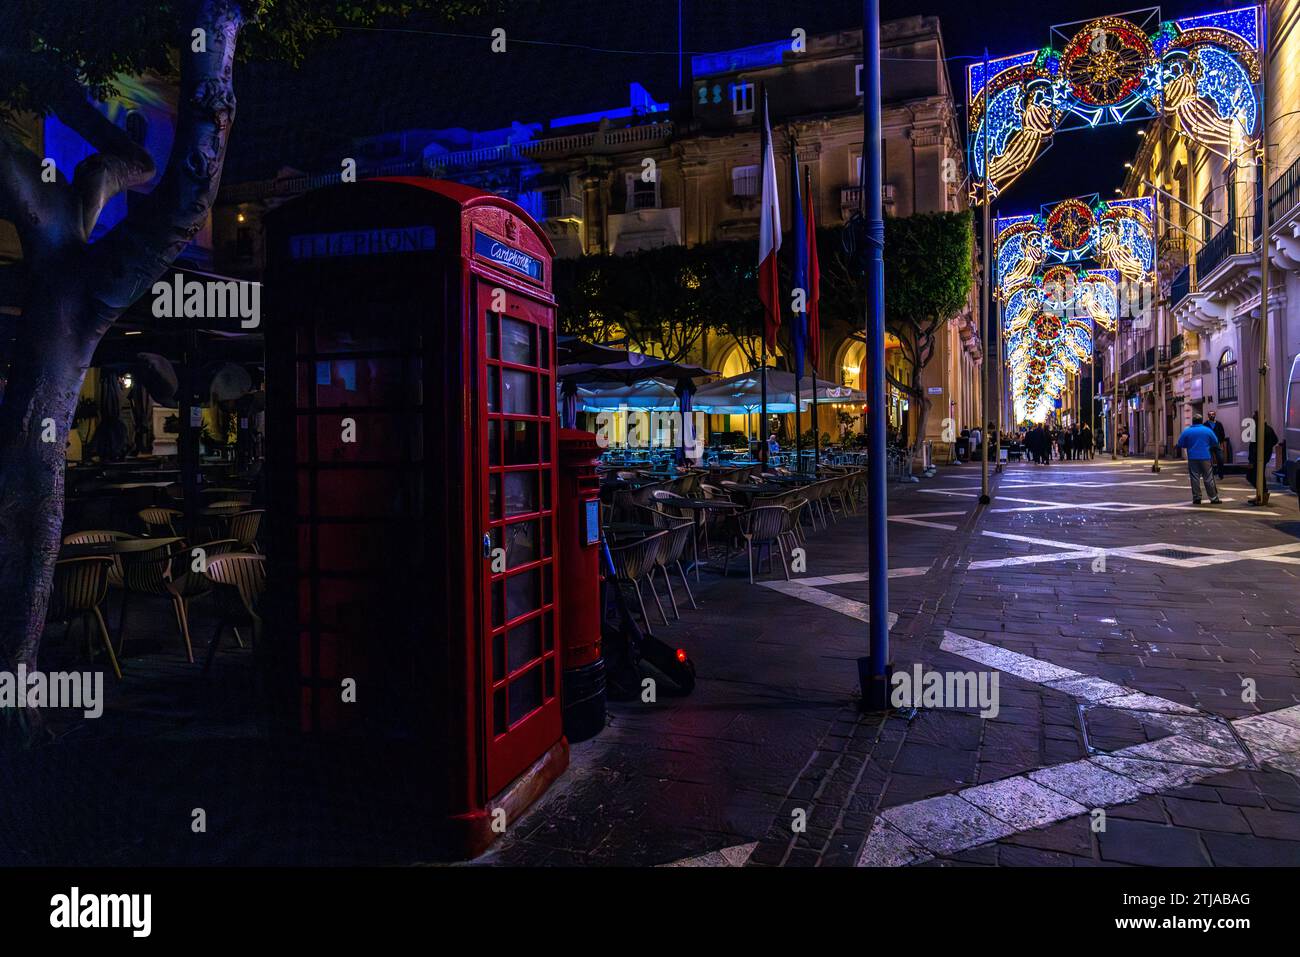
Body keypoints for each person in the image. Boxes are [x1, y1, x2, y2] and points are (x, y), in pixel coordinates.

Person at [1176, 414, 1222, 505]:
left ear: (1193, 421)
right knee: (1208, 478)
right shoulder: (1207, 430)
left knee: (1194, 478)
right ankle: (1213, 498)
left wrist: (1188, 445)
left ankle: (1197, 498)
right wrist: (1208, 445)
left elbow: (1180, 443)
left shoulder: (1187, 431)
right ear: (1201, 421)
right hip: (1205, 457)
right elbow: (1216, 442)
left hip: (1192, 457)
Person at [1245, 410, 1280, 503]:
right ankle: (1261, 494)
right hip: (1264, 457)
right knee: (1259, 475)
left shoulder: (1258, 430)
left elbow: (1253, 447)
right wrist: (1266, 449)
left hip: (1258, 457)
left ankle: (1263, 493)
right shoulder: (1268, 429)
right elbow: (1275, 440)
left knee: (1252, 476)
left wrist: (1252, 459)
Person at [1206, 410, 1229, 477]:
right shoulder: (1205, 424)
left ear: (1215, 415)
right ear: (1208, 416)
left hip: (1217, 444)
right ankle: (1211, 474)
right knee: (1209, 460)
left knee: (1220, 459)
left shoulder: (1219, 424)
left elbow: (1222, 434)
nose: (1211, 415)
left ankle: (1221, 474)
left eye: (1213, 414)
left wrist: (1221, 443)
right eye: (1210, 414)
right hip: (1209, 445)